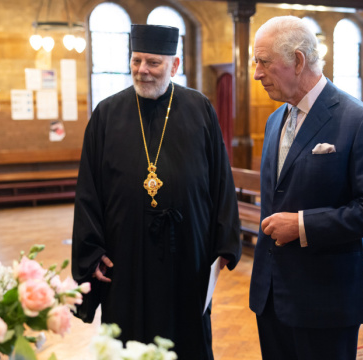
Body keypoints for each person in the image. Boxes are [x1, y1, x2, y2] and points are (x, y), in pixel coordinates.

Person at [71, 24, 241, 360]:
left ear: (174, 66)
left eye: (153, 63)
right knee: (126, 335)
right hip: (126, 253)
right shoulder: (107, 113)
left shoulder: (199, 109)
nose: (142, 70)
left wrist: (224, 245)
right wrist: (91, 252)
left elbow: (221, 180)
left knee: (187, 337)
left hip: (187, 252)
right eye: (136, 61)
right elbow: (88, 189)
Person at [249, 16, 363, 360]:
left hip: (326, 298)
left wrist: (302, 226)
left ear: (297, 61)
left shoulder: (358, 119)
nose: (256, 73)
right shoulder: (275, 119)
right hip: (271, 294)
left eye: (264, 62)